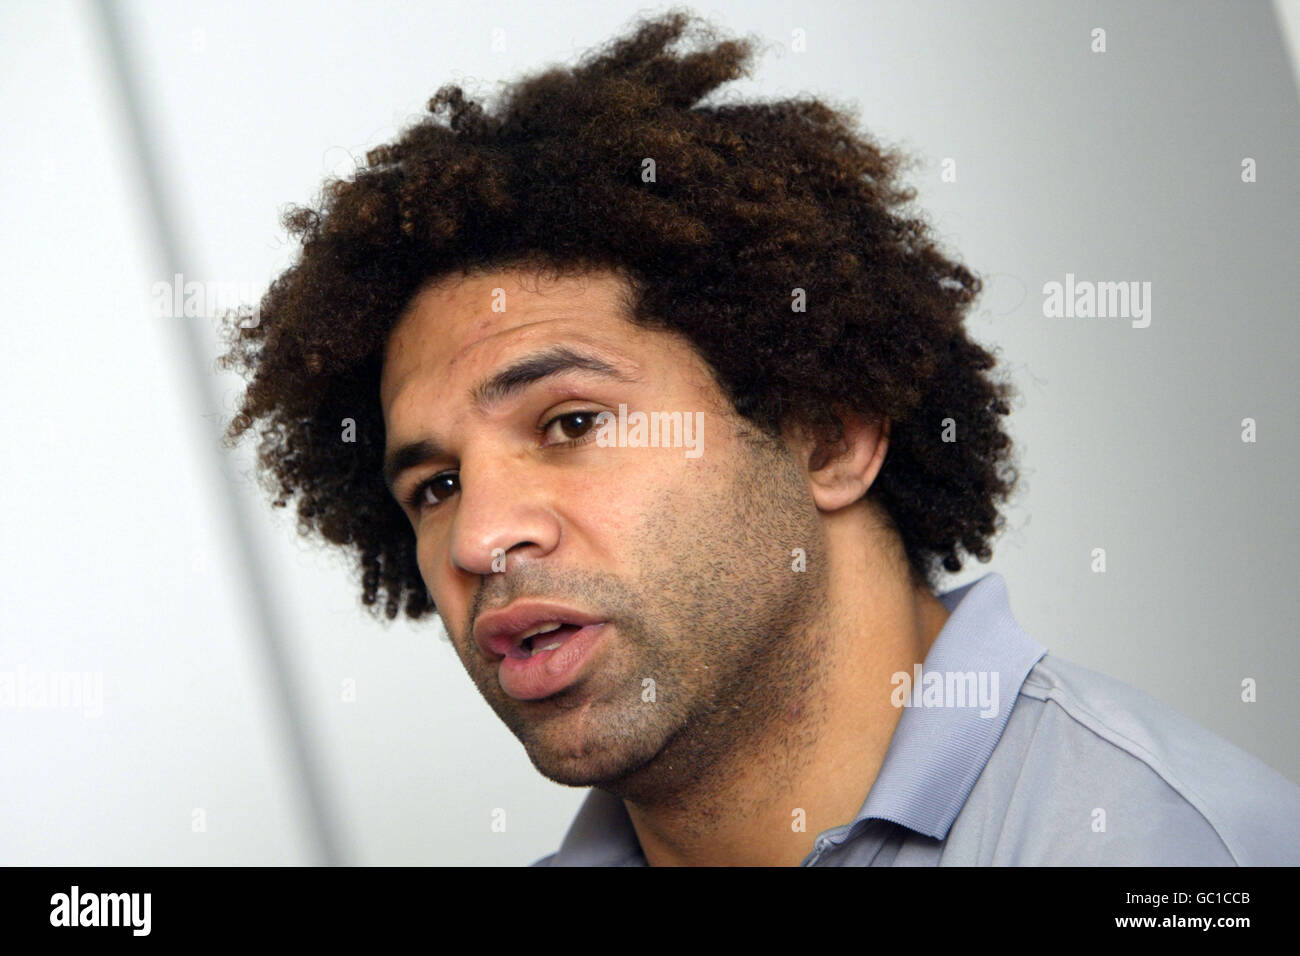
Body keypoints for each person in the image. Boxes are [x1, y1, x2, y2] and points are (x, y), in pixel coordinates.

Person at [220, 10, 1300, 866]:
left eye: (571, 422)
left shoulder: (1164, 848)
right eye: (435, 484)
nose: (479, 536)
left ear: (827, 434)